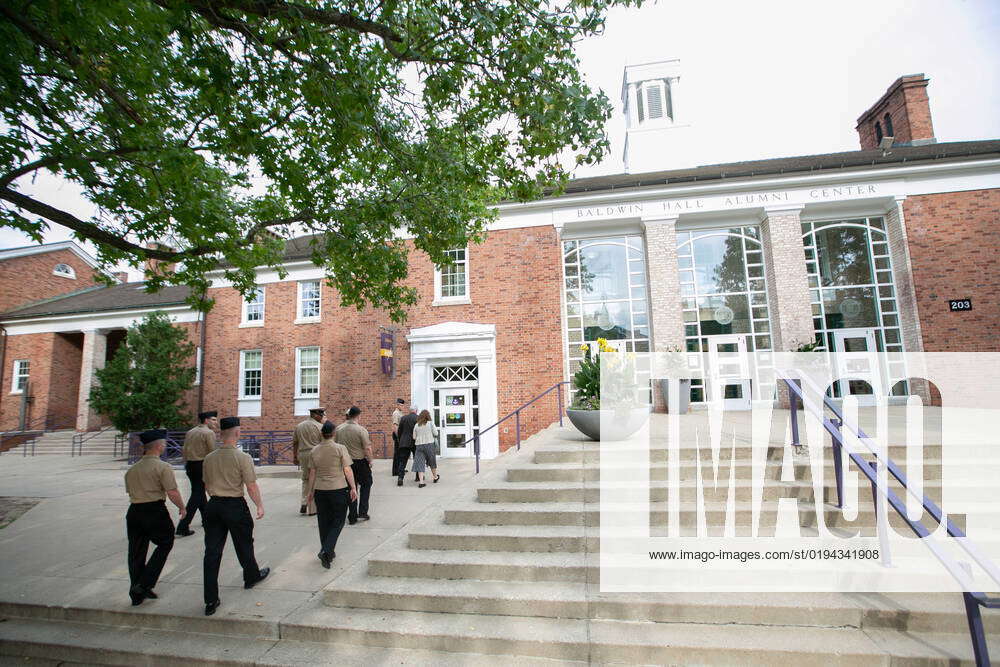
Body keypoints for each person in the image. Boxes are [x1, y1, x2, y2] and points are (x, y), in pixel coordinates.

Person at [201, 416, 269, 617]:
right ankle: (251, 576)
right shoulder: (243, 458)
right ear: (238, 433)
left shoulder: (209, 458)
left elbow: (205, 485)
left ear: (221, 434)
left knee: (212, 552)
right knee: (244, 543)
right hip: (234, 505)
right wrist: (259, 505)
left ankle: (210, 599)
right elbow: (251, 485)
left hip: (213, 505)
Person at [124, 429, 186, 606]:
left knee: (136, 552)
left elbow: (130, 490)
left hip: (134, 511)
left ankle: (136, 591)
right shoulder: (162, 467)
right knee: (166, 542)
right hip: (154, 509)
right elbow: (172, 491)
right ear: (159, 446)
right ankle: (144, 584)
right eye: (164, 443)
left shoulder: (132, 470)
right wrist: (182, 507)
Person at [306, 420, 357, 568]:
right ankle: (326, 550)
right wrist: (353, 487)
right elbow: (347, 469)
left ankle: (327, 553)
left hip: (320, 490)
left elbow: (312, 473)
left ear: (321, 434)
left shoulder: (314, 450)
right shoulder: (340, 448)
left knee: (323, 521)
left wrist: (310, 492)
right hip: (338, 489)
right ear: (334, 433)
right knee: (339, 520)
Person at [175, 410, 218, 537]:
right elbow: (212, 453)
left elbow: (184, 449)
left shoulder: (191, 431)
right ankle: (183, 525)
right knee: (197, 495)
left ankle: (207, 519)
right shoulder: (209, 433)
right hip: (201, 465)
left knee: (199, 493)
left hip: (190, 465)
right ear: (206, 421)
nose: (215, 422)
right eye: (213, 420)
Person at [335, 406, 373, 524]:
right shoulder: (361, 430)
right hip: (359, 461)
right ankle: (362, 511)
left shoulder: (338, 429)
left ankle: (352, 515)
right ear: (358, 416)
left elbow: (335, 444)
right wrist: (370, 460)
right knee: (367, 483)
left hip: (345, 463)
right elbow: (367, 448)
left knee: (351, 488)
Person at [292, 407, 325, 515]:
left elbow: (295, 442)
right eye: (321, 415)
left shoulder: (299, 426)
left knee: (305, 479)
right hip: (316, 454)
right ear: (315, 415)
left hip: (303, 454)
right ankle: (312, 508)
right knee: (314, 480)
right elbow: (323, 443)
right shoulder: (320, 427)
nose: (322, 417)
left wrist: (295, 456)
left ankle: (304, 502)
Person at [411, 410, 440, 488]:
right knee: (431, 461)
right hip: (429, 444)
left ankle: (421, 482)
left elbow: (414, 437)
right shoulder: (430, 423)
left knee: (420, 463)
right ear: (428, 416)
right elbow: (436, 433)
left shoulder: (416, 425)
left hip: (419, 446)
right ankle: (435, 477)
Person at [395, 404, 419, 487]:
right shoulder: (418, 418)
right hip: (415, 442)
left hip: (404, 442)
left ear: (409, 410)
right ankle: (418, 477)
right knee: (417, 460)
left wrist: (400, 440)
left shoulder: (403, 418)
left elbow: (399, 431)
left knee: (403, 461)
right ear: (416, 410)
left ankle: (400, 478)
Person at [390, 398, 405, 477]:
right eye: (401, 405)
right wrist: (398, 437)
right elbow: (395, 426)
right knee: (397, 453)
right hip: (397, 435)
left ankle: (400, 468)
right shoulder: (396, 413)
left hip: (400, 435)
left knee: (400, 453)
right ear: (398, 405)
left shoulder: (400, 412)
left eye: (403, 405)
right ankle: (395, 471)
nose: (402, 407)